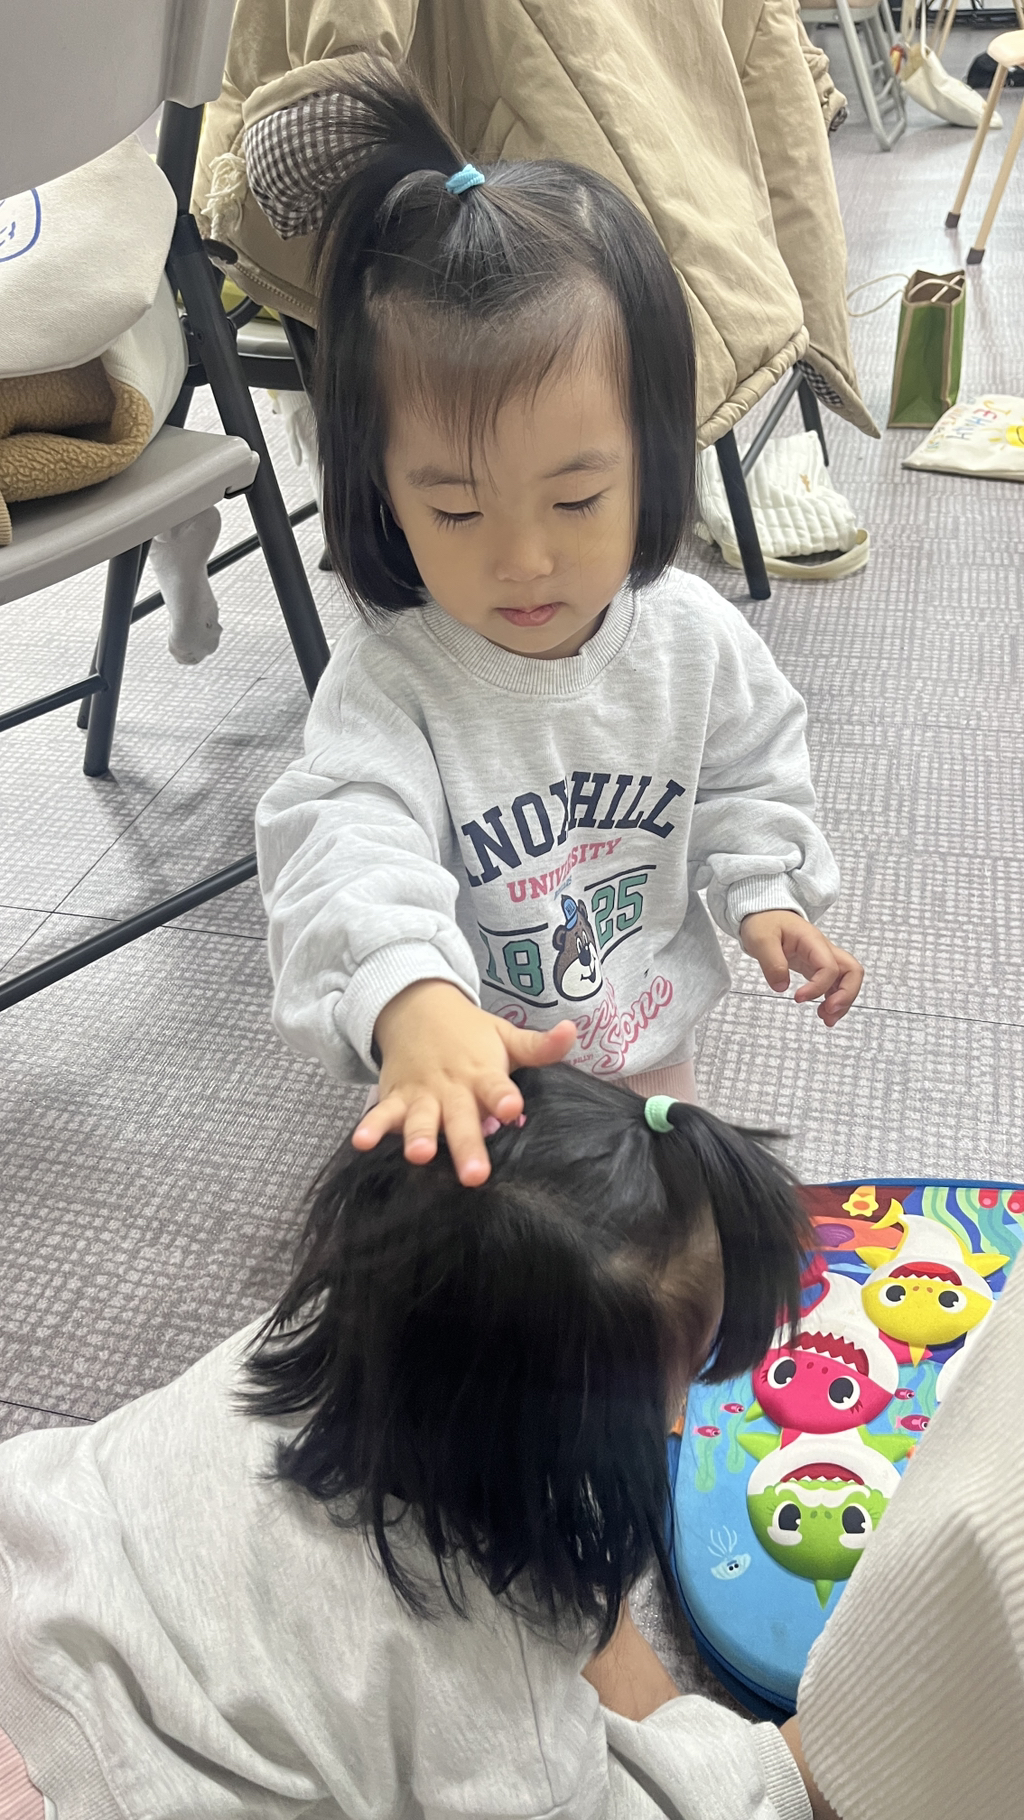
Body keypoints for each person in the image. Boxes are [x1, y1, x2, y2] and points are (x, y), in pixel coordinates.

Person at [255, 66, 864, 1188]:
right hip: (470, 1072)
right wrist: (411, 994)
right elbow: (343, 838)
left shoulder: (692, 642)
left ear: (652, 459)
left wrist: (763, 890)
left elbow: (747, 773)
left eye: (577, 499)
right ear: (381, 492)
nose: (525, 560)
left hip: (648, 1052)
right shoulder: (393, 684)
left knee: (657, 1241)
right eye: (456, 511)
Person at [0, 1069, 835, 1820]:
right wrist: (767, 1776)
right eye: (686, 1376)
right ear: (570, 1448)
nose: (683, 1406)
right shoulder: (486, 1653)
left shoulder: (316, 1329)